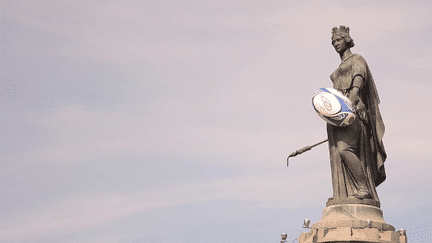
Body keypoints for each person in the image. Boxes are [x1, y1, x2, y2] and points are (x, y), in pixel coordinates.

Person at [327, 26, 386, 205]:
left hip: (351, 111)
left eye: (338, 40)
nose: (335, 44)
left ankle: (363, 187)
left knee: (345, 149)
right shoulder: (339, 67)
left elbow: (359, 77)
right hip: (337, 114)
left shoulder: (356, 59)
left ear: (347, 40)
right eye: (333, 42)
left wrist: (352, 99)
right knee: (337, 153)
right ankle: (342, 194)